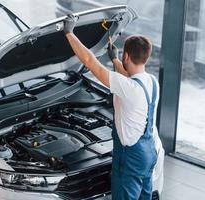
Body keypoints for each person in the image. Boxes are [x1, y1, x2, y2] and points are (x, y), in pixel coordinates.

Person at [63, 14, 159, 200]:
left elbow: (91, 63)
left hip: (130, 159)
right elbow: (128, 77)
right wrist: (115, 59)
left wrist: (69, 32)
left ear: (127, 56)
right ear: (146, 56)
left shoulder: (129, 88)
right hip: (148, 154)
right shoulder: (151, 82)